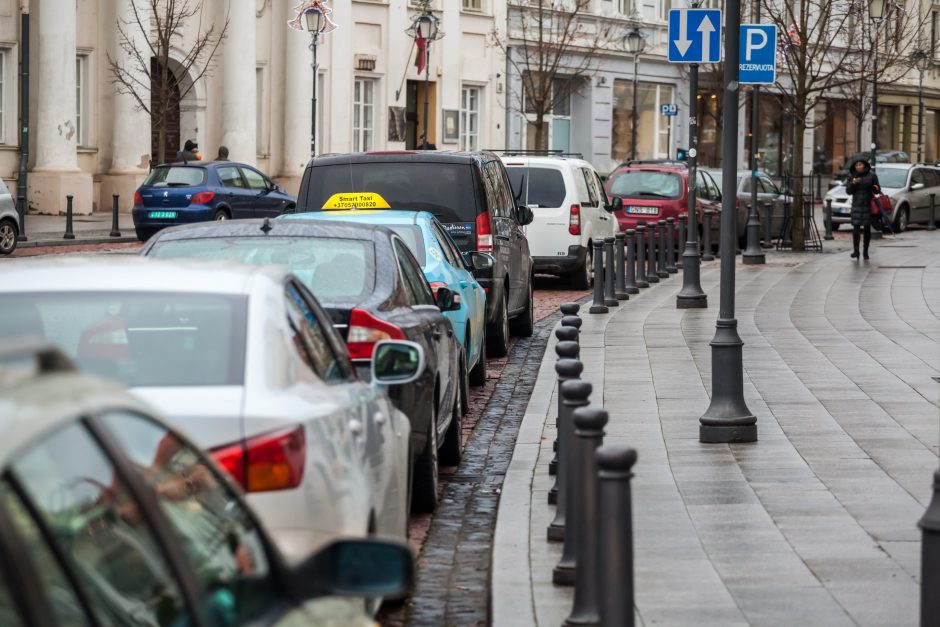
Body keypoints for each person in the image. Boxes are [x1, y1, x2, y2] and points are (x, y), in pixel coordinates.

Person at [844, 157, 881, 260]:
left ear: (864, 165)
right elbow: (848, 191)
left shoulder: (872, 175)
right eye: (856, 165)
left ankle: (865, 252)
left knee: (867, 229)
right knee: (855, 228)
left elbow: (877, 189)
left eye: (860, 164)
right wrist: (853, 183)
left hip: (868, 205)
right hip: (856, 206)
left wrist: (874, 187)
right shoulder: (852, 175)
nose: (858, 167)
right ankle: (856, 251)